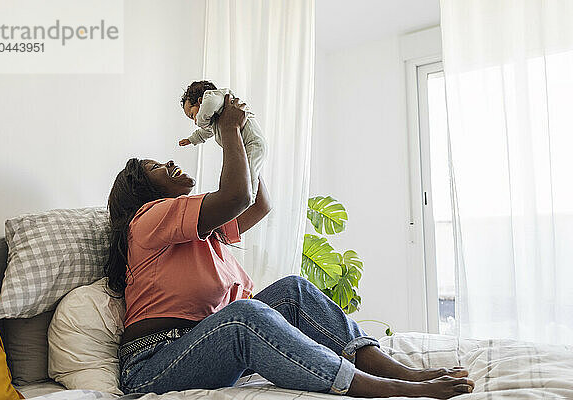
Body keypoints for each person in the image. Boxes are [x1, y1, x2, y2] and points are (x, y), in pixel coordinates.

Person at [105, 94, 475, 398]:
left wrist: (244, 140)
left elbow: (257, 203)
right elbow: (236, 196)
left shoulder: (197, 231)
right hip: (154, 363)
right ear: (143, 189)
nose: (169, 162)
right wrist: (230, 130)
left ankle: (395, 371)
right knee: (244, 315)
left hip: (203, 344)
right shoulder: (149, 217)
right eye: (157, 166)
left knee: (293, 290)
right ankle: (375, 387)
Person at [178, 80, 266, 204]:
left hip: (253, 142)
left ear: (199, 101)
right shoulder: (214, 120)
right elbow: (205, 132)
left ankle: (250, 198)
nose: (195, 121)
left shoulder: (216, 97)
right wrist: (192, 139)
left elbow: (209, 104)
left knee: (251, 172)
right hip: (244, 147)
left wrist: (200, 119)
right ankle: (245, 197)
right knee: (242, 175)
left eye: (192, 115)